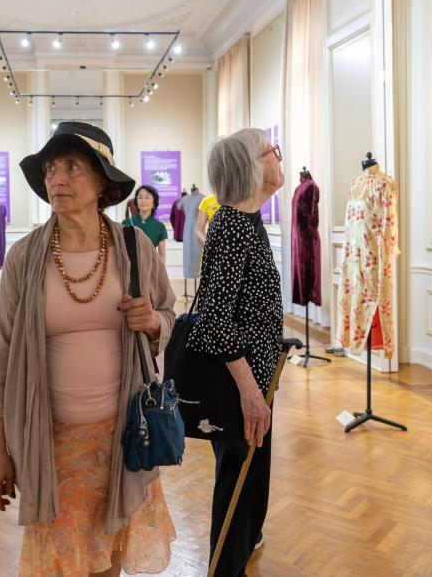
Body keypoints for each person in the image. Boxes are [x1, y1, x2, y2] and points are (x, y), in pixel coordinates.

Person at [0, 121, 178, 577]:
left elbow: (169, 314)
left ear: (102, 183)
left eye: (72, 166)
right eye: (50, 169)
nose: (57, 178)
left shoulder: (134, 245)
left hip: (124, 439)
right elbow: (2, 359)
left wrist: (152, 322)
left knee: (108, 563)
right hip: (50, 444)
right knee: (62, 565)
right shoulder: (25, 256)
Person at [185, 128, 285, 576]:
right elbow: (213, 321)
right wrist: (249, 391)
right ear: (250, 166)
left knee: (249, 492)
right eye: (271, 151)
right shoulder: (230, 227)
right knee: (239, 495)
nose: (279, 157)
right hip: (241, 387)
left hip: (255, 383)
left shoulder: (247, 223)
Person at [122, 185, 168, 265]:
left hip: (151, 266)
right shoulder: (126, 223)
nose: (143, 201)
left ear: (154, 203)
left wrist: (162, 271)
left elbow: (162, 254)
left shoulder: (160, 226)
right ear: (136, 202)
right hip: (130, 267)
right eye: (140, 197)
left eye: (147, 197)